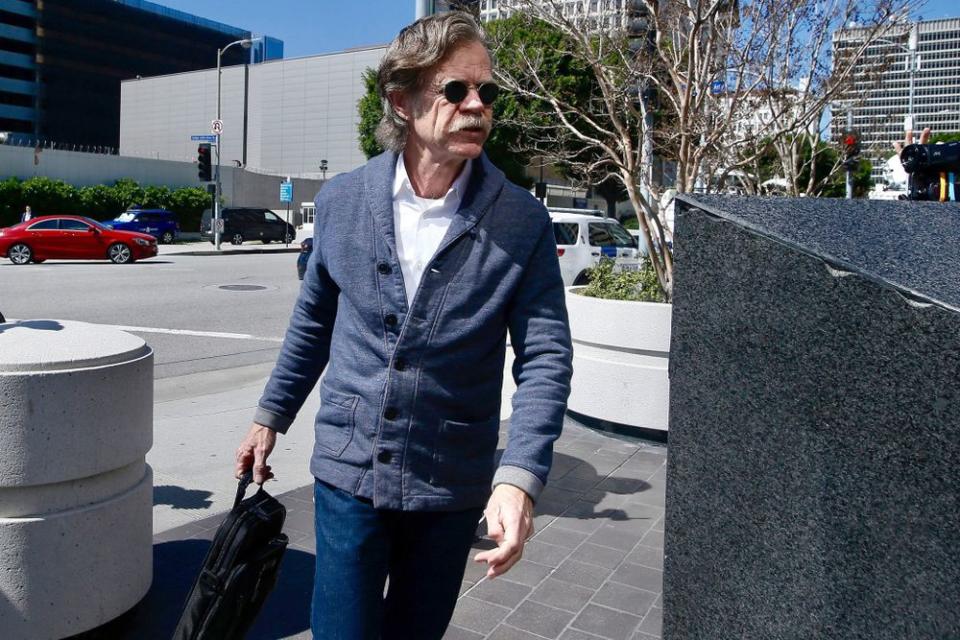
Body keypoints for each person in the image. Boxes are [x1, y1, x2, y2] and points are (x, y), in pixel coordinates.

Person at [234, 11, 572, 640]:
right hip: (347, 472)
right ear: (402, 100)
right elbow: (313, 321)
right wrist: (269, 416)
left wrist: (520, 476)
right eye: (456, 90)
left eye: (487, 92)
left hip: (450, 486)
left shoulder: (521, 221)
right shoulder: (341, 201)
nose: (477, 105)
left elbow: (546, 357)